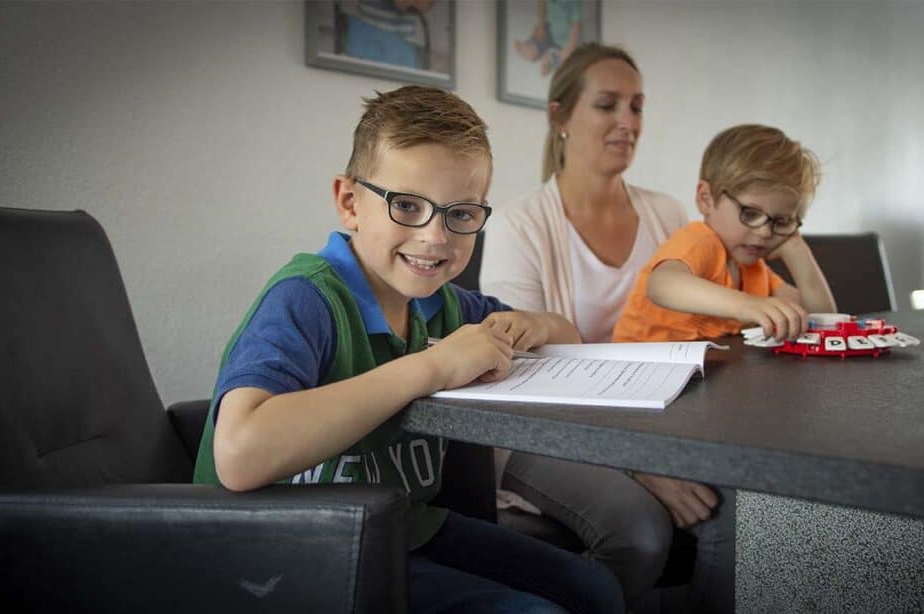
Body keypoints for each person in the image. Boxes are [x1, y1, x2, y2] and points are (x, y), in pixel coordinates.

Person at [192, 85, 625, 614]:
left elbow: (569, 338)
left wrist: (532, 323)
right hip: (286, 552)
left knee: (596, 591)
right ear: (350, 202)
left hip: (402, 528)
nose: (434, 237)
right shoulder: (306, 298)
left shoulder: (445, 305)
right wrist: (433, 367)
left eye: (461, 214)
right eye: (407, 206)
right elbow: (238, 455)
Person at [480, 42, 735, 613]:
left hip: (659, 422)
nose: (628, 123)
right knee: (641, 533)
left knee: (749, 511)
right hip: (538, 432)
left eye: (637, 106)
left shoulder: (668, 214)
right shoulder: (522, 224)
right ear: (559, 115)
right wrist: (638, 465)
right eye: (608, 105)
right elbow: (521, 373)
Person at [613, 123, 836, 343]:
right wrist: (746, 305)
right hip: (635, 370)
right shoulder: (700, 240)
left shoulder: (755, 271)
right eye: (750, 213)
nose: (765, 232)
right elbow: (661, 285)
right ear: (706, 199)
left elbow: (825, 320)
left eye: (781, 221)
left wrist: (798, 252)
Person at [513, 0, 583, 77]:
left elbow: (576, 26)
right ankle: (533, 51)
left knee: (555, 59)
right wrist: (541, 25)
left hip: (565, 42)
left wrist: (568, 49)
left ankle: (550, 62)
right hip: (551, 31)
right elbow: (541, 4)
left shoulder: (573, 2)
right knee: (532, 52)